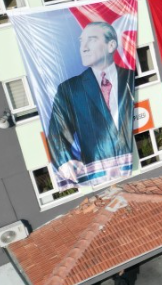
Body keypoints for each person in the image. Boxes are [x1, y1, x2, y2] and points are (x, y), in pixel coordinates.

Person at [47, 22, 135, 187]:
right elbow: (57, 132)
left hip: (135, 168)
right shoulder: (70, 89)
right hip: (99, 176)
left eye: (92, 40)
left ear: (111, 45)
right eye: (81, 42)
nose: (84, 48)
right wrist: (64, 160)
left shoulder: (131, 77)